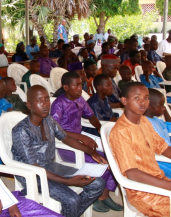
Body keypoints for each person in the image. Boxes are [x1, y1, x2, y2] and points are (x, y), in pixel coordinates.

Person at [12, 85, 106, 217]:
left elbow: (66, 137)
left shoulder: (48, 120)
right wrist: (68, 181)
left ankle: (67, 214)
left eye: (46, 99)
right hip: (32, 174)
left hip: (51, 166)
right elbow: (34, 167)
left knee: (98, 183)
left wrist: (91, 152)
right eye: (39, 101)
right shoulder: (21, 130)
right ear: (29, 105)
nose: (45, 104)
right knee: (72, 199)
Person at [109, 82, 171, 217]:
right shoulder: (121, 131)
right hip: (143, 192)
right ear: (124, 100)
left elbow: (163, 147)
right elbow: (132, 173)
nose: (143, 102)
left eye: (146, 98)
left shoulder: (144, 121)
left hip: (160, 181)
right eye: (137, 98)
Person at [50, 72, 121, 212]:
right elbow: (55, 130)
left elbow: (92, 116)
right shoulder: (59, 104)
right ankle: (93, 196)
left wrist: (101, 130)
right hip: (66, 144)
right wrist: (81, 137)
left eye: (80, 85)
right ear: (65, 87)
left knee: (113, 156)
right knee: (99, 162)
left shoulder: (80, 99)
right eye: (75, 85)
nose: (79, 89)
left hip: (79, 137)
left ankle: (104, 195)